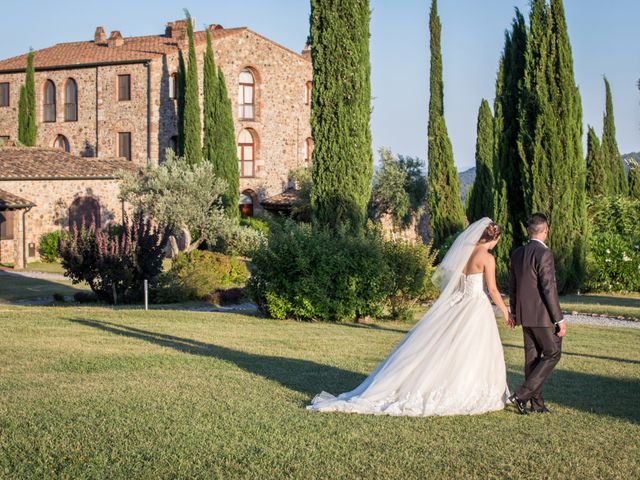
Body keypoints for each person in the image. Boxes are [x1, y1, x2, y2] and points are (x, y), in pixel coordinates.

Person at [307, 217, 511, 416]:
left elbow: (455, 282)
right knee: (470, 350)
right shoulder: (487, 257)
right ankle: (464, 388)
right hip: (474, 306)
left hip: (457, 304)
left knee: (446, 347)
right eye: (497, 241)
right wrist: (505, 310)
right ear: (493, 239)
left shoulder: (465, 254)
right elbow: (492, 290)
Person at [508, 213, 565, 415]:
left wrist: (513, 312)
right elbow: (549, 288)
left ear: (528, 230)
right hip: (542, 317)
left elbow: (512, 287)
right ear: (546, 230)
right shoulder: (544, 254)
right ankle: (521, 395)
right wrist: (559, 319)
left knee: (532, 360)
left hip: (525, 316)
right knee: (553, 353)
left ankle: (537, 404)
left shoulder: (517, 254)